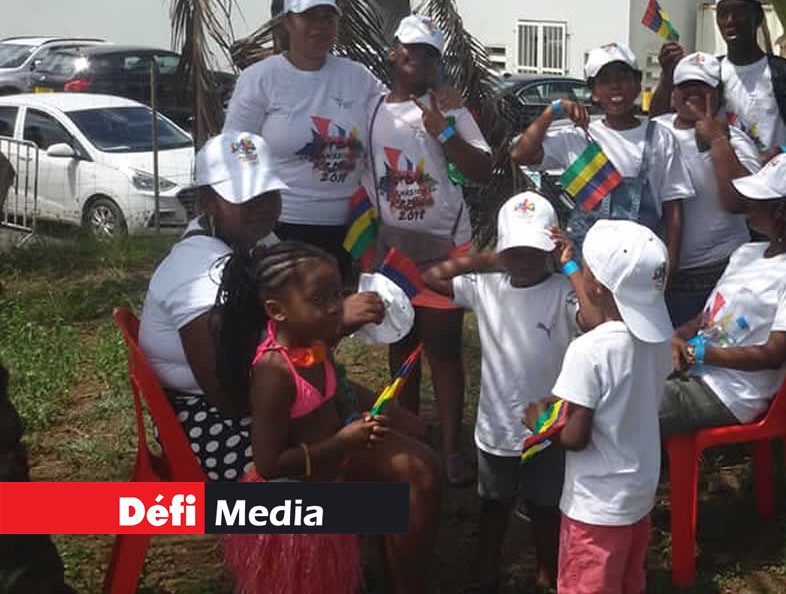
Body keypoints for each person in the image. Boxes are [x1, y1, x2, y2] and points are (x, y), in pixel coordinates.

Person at [138, 132, 386, 481]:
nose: (262, 206)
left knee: (400, 426)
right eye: (245, 197)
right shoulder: (198, 271)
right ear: (207, 201)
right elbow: (229, 397)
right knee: (387, 464)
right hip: (214, 421)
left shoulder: (257, 240)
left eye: (268, 193)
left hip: (271, 390)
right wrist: (335, 324)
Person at [215, 240, 443, 594]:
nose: (337, 309)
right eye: (319, 300)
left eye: (338, 294)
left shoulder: (313, 346)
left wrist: (357, 417)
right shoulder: (274, 372)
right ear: (277, 311)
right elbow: (269, 463)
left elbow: (331, 402)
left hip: (327, 476)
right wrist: (343, 441)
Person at [422, 192, 580, 592]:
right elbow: (433, 276)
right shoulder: (485, 288)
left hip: (548, 428)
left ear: (552, 250)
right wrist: (491, 259)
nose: (524, 262)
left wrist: (571, 263)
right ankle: (484, 570)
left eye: (534, 252)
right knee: (494, 505)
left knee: (546, 508)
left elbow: (595, 315)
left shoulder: (564, 292)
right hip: (495, 428)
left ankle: (549, 572)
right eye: (516, 252)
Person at [368, 14, 493, 486]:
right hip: (394, 251)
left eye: (427, 52)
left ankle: (449, 449)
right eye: (409, 48)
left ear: (436, 61)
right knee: (401, 349)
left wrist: (443, 129)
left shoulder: (449, 108)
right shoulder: (374, 107)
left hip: (444, 248)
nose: (416, 58)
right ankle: (409, 441)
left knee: (443, 350)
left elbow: (481, 169)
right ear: (392, 51)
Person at [520, 219, 672, 594]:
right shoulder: (657, 341)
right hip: (637, 497)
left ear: (597, 287)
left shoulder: (588, 351)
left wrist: (540, 420)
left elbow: (574, 436)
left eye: (584, 267)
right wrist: (571, 265)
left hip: (594, 507)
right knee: (627, 581)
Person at [223, 0, 387, 279]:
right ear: (288, 22)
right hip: (281, 226)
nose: (320, 26)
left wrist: (442, 103)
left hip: (350, 228)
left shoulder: (358, 77)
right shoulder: (260, 78)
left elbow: (397, 115)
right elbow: (236, 148)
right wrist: (253, 214)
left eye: (328, 18)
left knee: (338, 316)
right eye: (309, 17)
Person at [659, 154, 786, 436]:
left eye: (759, 201)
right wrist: (678, 336)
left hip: (730, 393)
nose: (748, 205)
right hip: (693, 373)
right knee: (613, 386)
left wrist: (698, 353)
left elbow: (773, 354)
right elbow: (708, 316)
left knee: (626, 407)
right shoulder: (746, 253)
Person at [510, 43, 693, 270]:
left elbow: (673, 207)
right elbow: (520, 154)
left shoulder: (660, 138)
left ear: (638, 85)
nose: (616, 86)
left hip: (641, 266)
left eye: (623, 77)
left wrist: (671, 264)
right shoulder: (578, 138)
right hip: (588, 266)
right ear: (594, 93)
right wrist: (553, 111)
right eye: (605, 80)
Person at [651, 0, 786, 160]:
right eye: (723, 14)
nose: (730, 21)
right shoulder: (709, 73)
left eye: (740, 13)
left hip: (771, 186)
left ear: (758, 18)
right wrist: (667, 77)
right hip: (720, 185)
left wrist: (782, 153)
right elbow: (660, 125)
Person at [654, 51, 762, 326]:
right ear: (673, 94)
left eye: (703, 88)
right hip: (659, 278)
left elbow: (740, 202)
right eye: (685, 87)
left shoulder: (736, 141)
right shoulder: (654, 130)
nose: (693, 93)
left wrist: (716, 140)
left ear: (719, 95)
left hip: (716, 276)